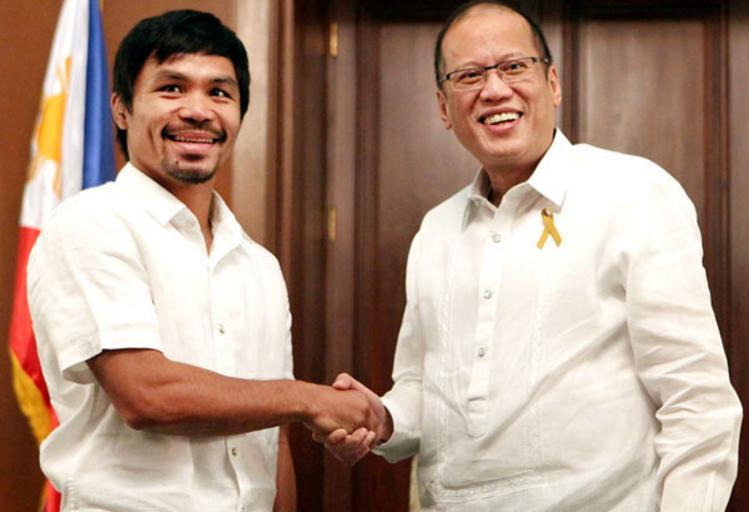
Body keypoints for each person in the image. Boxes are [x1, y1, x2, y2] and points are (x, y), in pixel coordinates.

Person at [320, 1, 743, 510]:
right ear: (443, 108)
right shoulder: (436, 231)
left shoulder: (634, 193)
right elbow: (422, 390)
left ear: (553, 83)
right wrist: (383, 418)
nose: (495, 89)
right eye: (469, 75)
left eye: (514, 66)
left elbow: (697, 401)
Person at [27, 10, 379, 512]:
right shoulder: (90, 224)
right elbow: (146, 395)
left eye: (219, 93)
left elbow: (271, 439)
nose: (198, 111)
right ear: (122, 109)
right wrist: (310, 399)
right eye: (172, 88)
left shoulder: (260, 265)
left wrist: (300, 405)